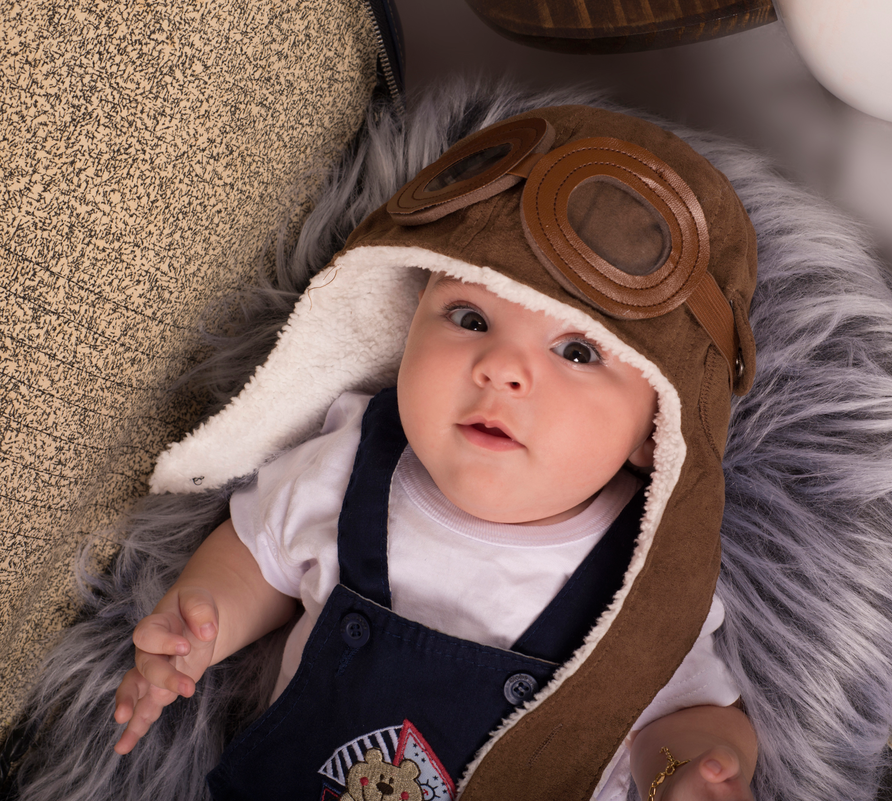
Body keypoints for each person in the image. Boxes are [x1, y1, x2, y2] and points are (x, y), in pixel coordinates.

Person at [112, 104, 761, 801]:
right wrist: (201, 618)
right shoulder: (351, 462)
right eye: (470, 318)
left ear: (652, 433)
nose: (501, 369)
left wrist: (689, 771)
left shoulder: (643, 576)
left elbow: (687, 716)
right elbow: (258, 552)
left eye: (577, 351)